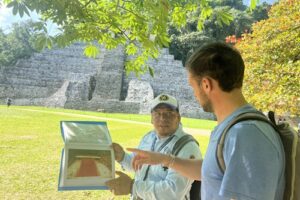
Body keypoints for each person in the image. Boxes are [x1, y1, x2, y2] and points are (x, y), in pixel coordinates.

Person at [128, 42, 285, 200]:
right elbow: (213, 170)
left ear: (206, 84)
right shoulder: (231, 128)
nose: (195, 94)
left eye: (192, 86)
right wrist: (165, 160)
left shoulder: (245, 134)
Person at [105, 93, 202, 200]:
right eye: (157, 113)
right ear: (151, 118)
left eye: (169, 113)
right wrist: (122, 157)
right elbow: (137, 166)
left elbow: (173, 192)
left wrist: (132, 187)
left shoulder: (187, 146)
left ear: (178, 118)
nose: (163, 118)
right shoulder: (149, 137)